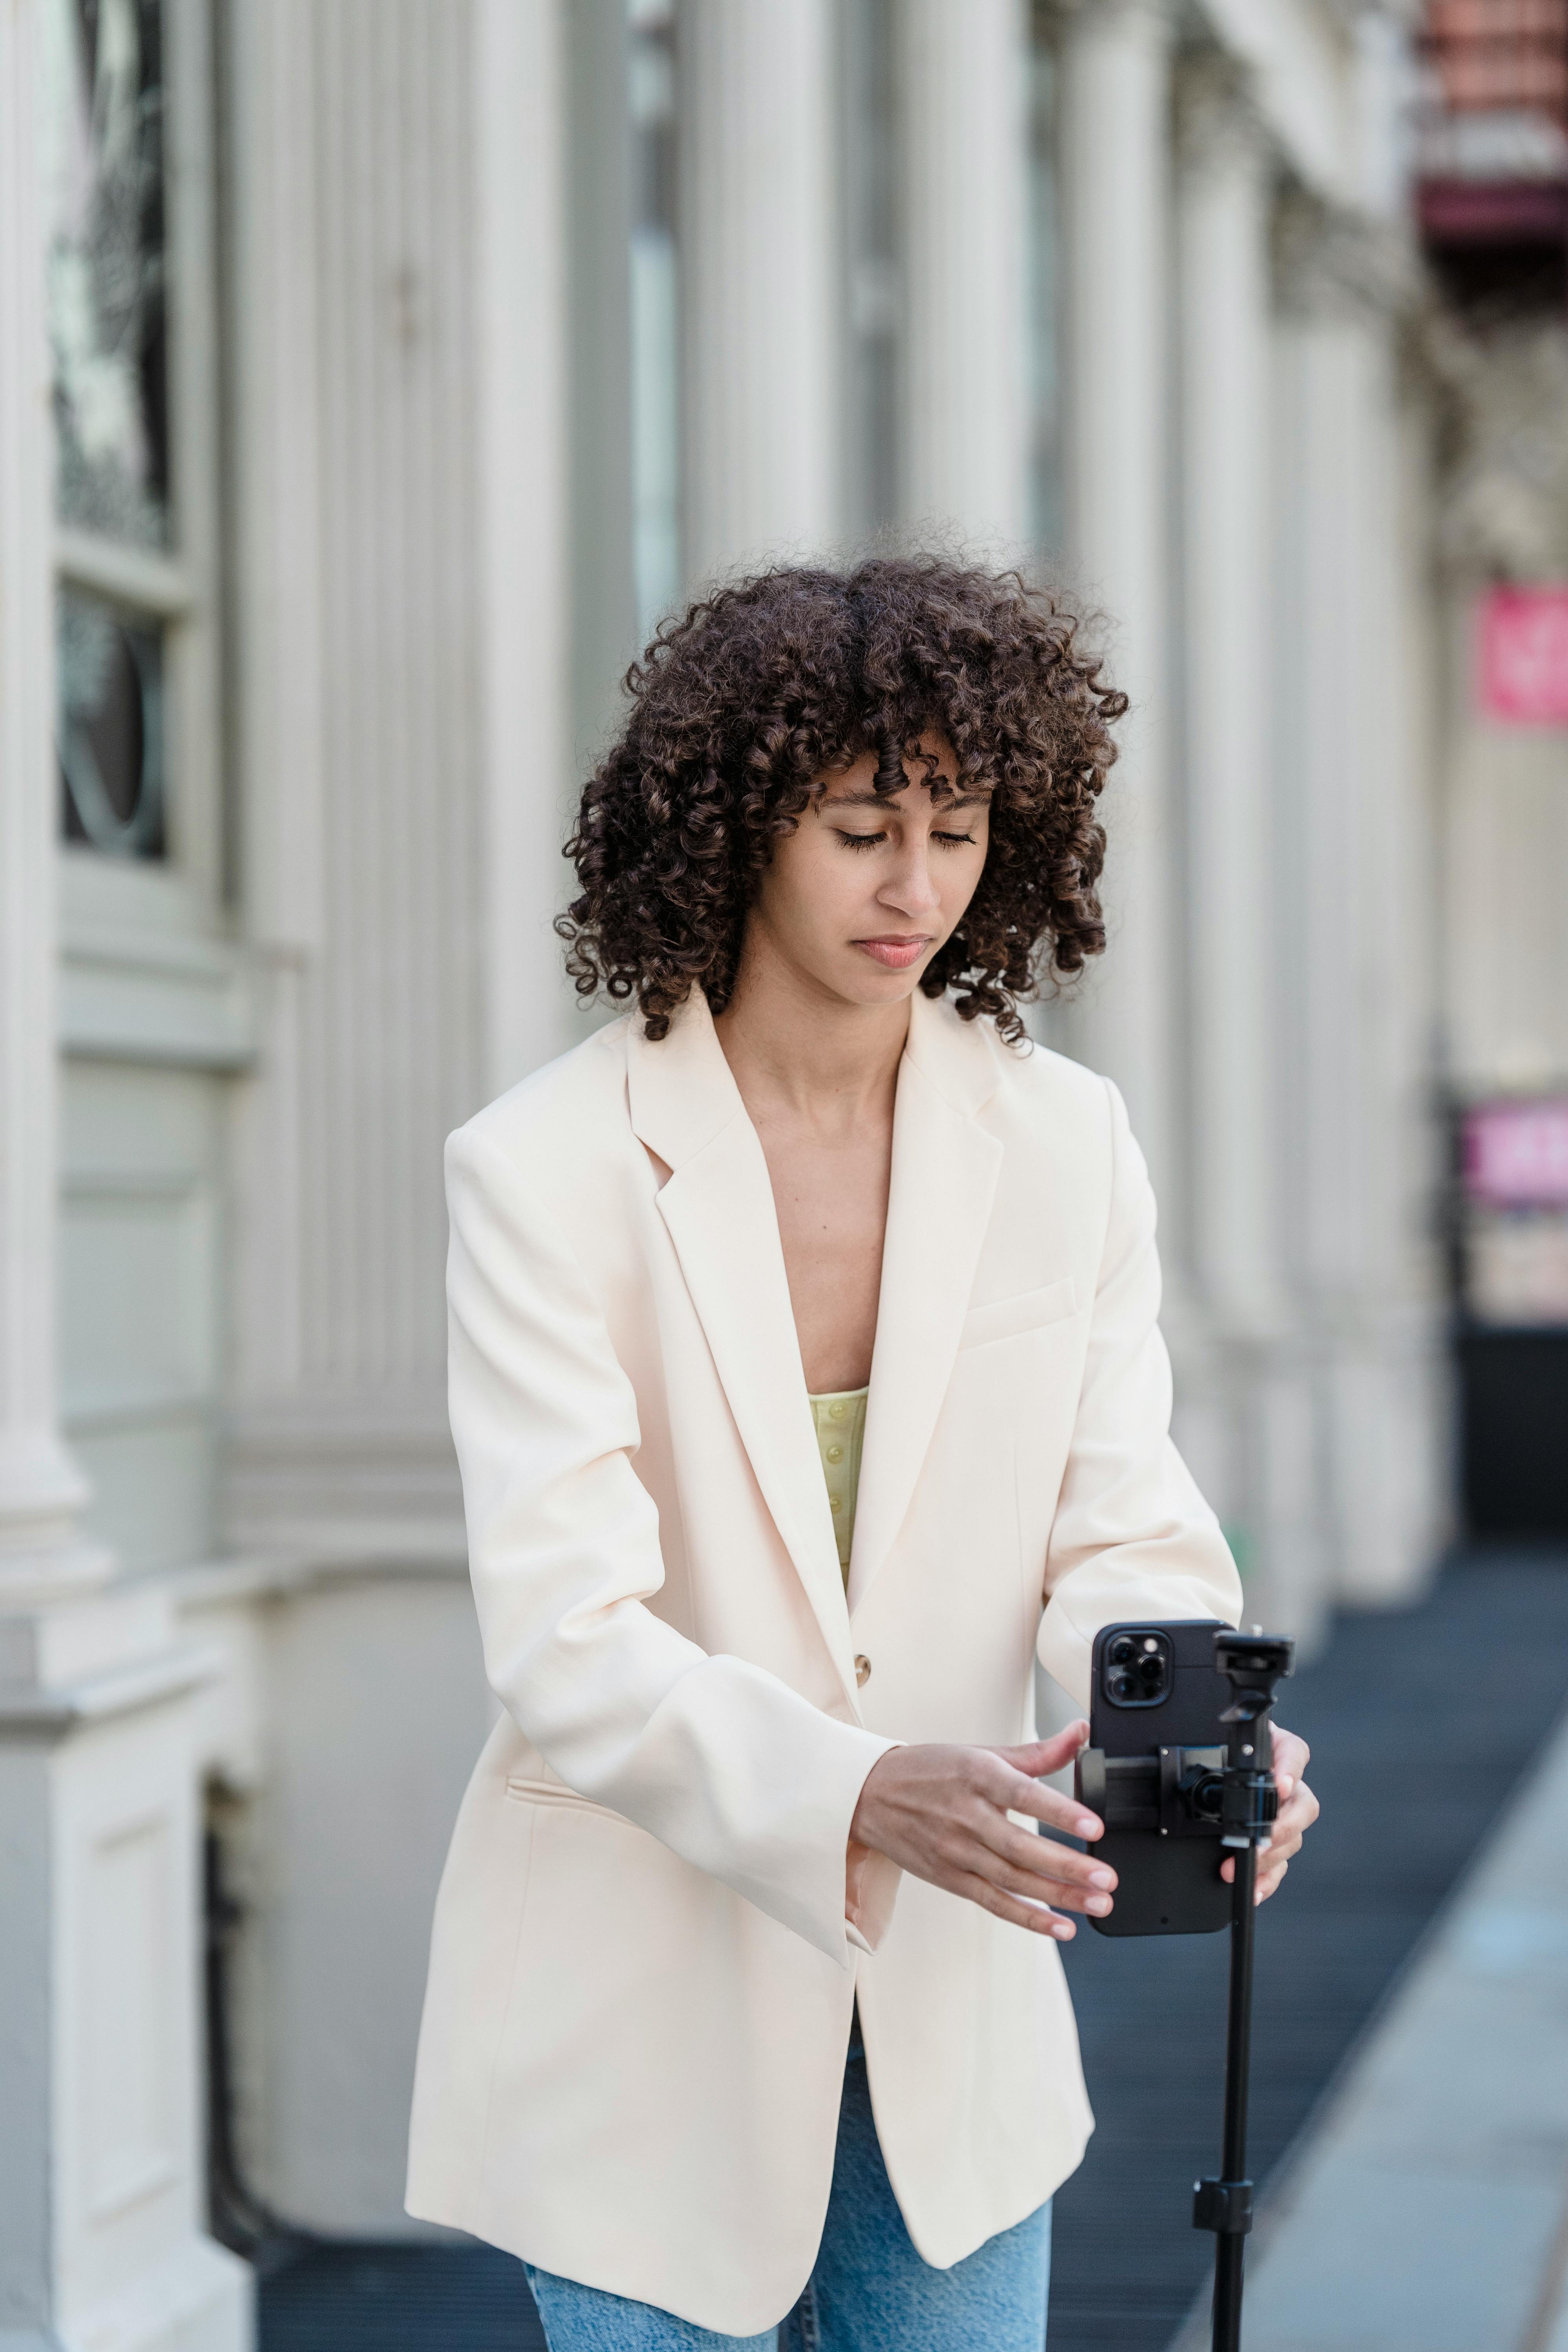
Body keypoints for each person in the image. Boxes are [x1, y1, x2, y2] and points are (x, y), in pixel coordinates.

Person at [405, 558, 1319, 2350]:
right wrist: (853, 1790)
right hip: (633, 2026)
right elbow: (566, 1635)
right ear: (737, 823)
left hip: (954, 2037)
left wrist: (1194, 1716)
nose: (918, 888)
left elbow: (1119, 1526)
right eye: (857, 828)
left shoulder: (1065, 1141)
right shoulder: (542, 1168)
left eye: (961, 826)